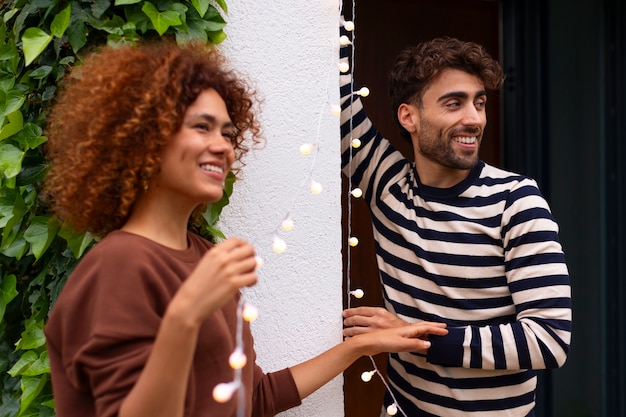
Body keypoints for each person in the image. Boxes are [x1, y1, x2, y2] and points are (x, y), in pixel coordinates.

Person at [42, 40, 450, 417]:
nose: (223, 146)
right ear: (144, 137)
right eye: (201, 127)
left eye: (227, 132)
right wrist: (184, 318)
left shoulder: (202, 257)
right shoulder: (119, 265)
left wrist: (360, 347)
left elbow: (252, 398)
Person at [339, 35, 572, 417]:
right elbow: (337, 96)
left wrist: (414, 337)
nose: (475, 118)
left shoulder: (516, 200)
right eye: (454, 103)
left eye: (479, 103)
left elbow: (549, 340)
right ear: (408, 116)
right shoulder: (387, 185)